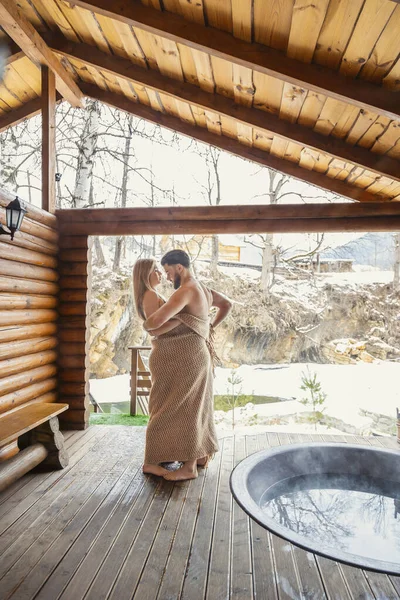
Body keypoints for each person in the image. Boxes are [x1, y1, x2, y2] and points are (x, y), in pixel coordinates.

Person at [143, 249, 232, 481]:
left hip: (187, 357)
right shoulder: (203, 289)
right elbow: (228, 305)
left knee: (186, 409)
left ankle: (188, 467)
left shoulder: (185, 291)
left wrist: (182, 318)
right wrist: (208, 325)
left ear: (179, 268)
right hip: (198, 353)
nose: (168, 277)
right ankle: (199, 456)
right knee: (195, 407)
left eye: (169, 271)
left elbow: (152, 323)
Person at [133, 258, 181, 477]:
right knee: (161, 408)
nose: (161, 274)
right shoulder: (151, 294)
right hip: (163, 354)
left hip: (167, 354)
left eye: (161, 271)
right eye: (156, 271)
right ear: (146, 274)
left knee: (165, 406)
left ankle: (165, 454)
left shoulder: (150, 294)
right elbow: (155, 329)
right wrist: (184, 320)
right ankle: (151, 462)